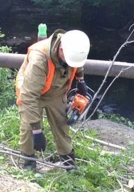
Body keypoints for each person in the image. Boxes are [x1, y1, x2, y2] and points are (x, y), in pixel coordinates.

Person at [15, 29, 90, 171]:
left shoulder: (75, 45)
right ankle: (29, 165)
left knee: (62, 125)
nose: (71, 64)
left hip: (56, 91)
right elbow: (29, 96)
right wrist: (37, 131)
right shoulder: (40, 58)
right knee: (28, 128)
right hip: (31, 92)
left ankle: (69, 163)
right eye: (69, 60)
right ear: (61, 50)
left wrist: (80, 80)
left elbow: (78, 62)